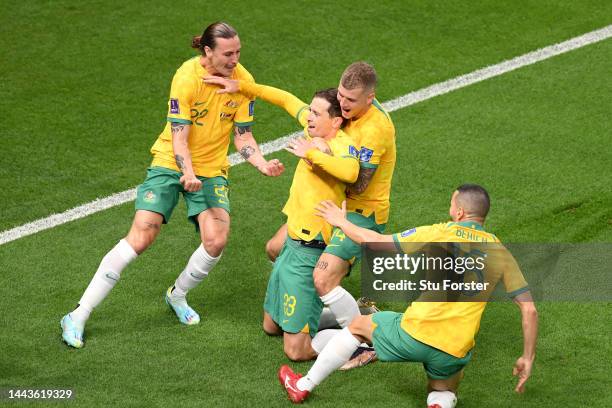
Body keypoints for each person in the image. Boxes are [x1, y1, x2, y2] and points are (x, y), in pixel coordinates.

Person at [60, 22, 285, 349]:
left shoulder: (243, 82)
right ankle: (78, 314)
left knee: (216, 240)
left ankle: (177, 295)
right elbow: (179, 136)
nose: (234, 59)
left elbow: (243, 135)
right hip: (171, 161)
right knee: (143, 233)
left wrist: (261, 163)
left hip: (210, 169)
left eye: (238, 52)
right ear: (208, 52)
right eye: (227, 53)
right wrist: (188, 172)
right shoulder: (186, 78)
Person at [278, 184, 538, 407]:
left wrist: (341, 222)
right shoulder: (501, 252)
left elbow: (374, 242)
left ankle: (302, 384)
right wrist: (527, 357)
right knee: (443, 388)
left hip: (414, 333)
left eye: (451, 204)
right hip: (454, 350)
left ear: (459, 212)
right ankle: (438, 402)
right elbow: (529, 310)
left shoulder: (439, 232)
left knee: (358, 325)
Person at [205, 75, 360, 360]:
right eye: (310, 111)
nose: (309, 117)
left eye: (316, 113)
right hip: (292, 241)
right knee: (270, 326)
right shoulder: (316, 132)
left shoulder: (340, 145)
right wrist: (245, 87)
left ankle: (359, 338)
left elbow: (351, 172)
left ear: (336, 121)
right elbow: (286, 99)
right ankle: (337, 314)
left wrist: (313, 155)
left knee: (296, 352)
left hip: (311, 251)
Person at [267, 62, 396, 331]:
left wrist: (321, 156)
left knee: (322, 276)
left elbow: (358, 184)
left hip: (361, 212)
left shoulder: (375, 130)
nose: (343, 103)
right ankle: (311, 307)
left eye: (350, 100)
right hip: (335, 203)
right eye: (340, 95)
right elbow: (295, 105)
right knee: (275, 248)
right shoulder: (345, 109)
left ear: (369, 99)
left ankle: (364, 330)